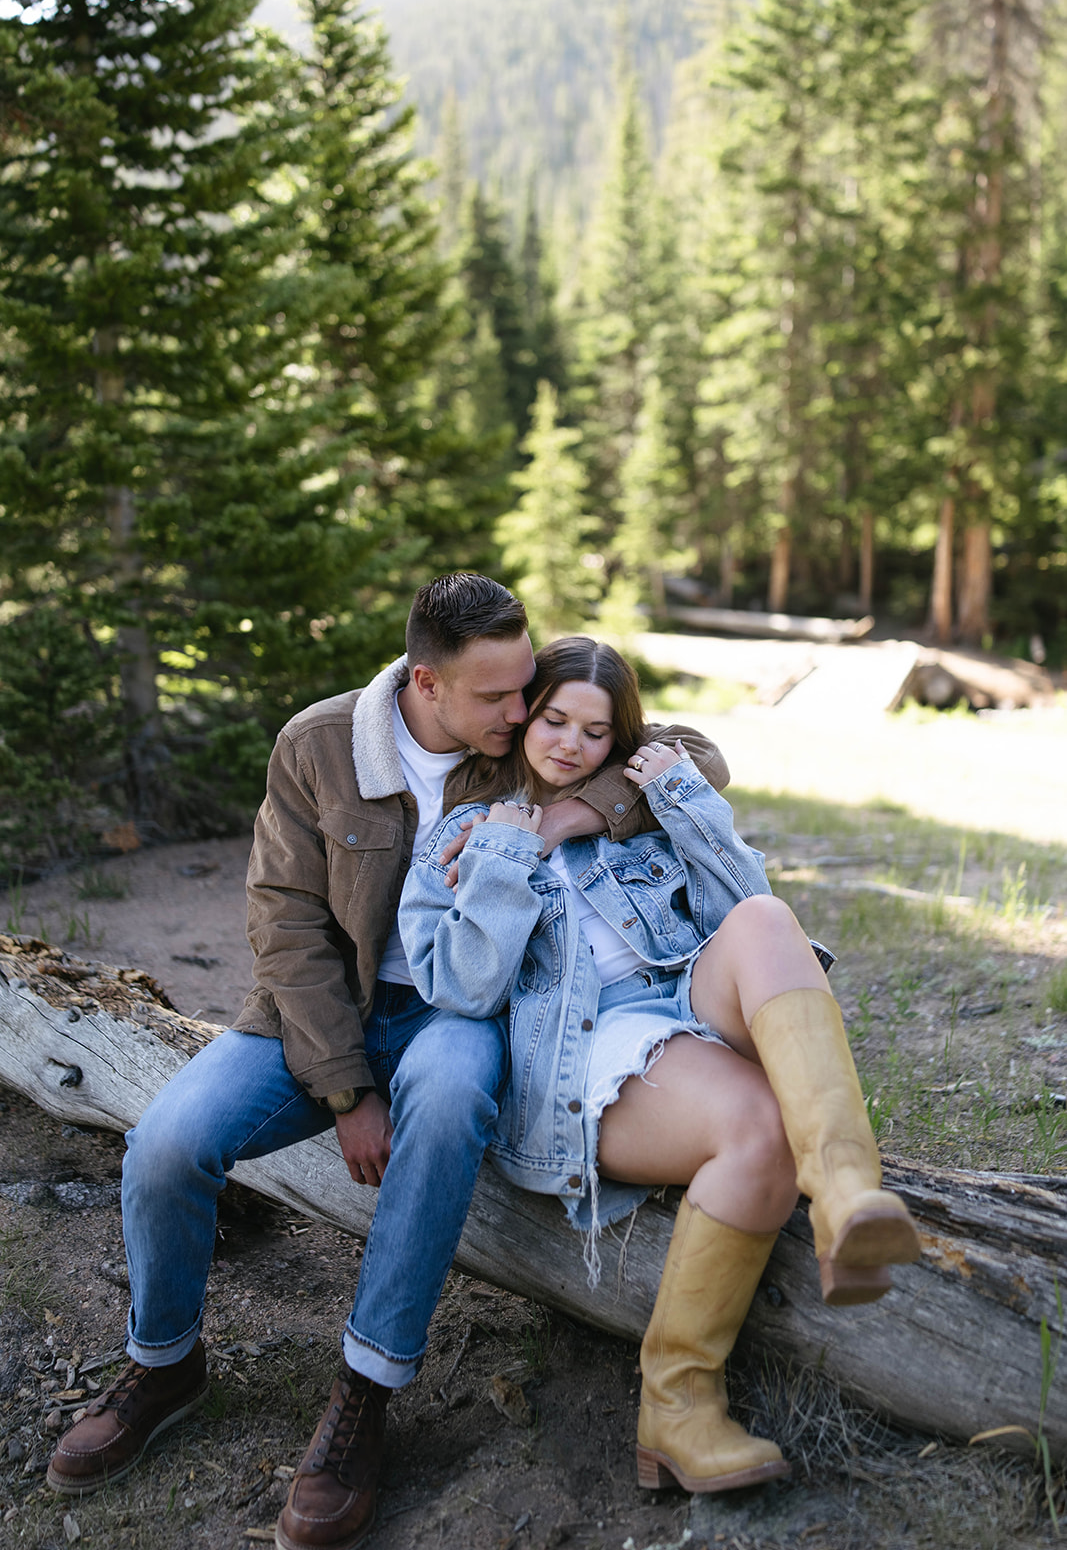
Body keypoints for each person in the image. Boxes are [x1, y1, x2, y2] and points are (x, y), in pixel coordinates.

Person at [46, 577, 729, 1550]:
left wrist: (581, 813)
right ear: (425, 681)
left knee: (448, 1097)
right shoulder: (318, 743)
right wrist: (347, 1090)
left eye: (524, 688)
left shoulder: (523, 734)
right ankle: (163, 1361)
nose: (522, 712)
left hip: (457, 1007)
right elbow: (283, 924)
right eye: (496, 697)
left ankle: (365, 1390)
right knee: (166, 1140)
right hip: (316, 1014)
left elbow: (692, 755)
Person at [400, 636, 921, 1496]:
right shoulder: (461, 839)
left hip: (687, 993)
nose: (569, 744)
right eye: (554, 719)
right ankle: (677, 1409)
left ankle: (847, 1196)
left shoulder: (629, 809)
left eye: (595, 732)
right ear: (523, 715)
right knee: (755, 1131)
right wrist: (503, 857)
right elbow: (460, 988)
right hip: (588, 1048)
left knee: (758, 915)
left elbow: (737, 903)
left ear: (617, 741)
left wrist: (678, 798)